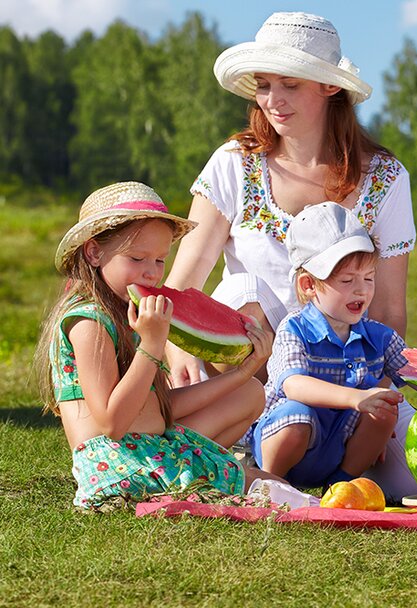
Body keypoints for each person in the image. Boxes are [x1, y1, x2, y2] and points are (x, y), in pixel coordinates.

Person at [163, 11, 417, 496]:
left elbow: (387, 309)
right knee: (239, 287)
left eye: (290, 85)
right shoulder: (235, 164)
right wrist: (177, 351)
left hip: (346, 376)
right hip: (246, 376)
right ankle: (249, 440)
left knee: (415, 486)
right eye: (263, 85)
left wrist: (379, 400)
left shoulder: (385, 177)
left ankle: (315, 462)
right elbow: (181, 286)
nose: (272, 102)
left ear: (329, 88)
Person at [37, 182, 272, 509]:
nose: (151, 272)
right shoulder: (89, 322)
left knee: (250, 394)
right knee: (261, 485)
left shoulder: (129, 312)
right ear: (94, 252)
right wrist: (151, 345)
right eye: (137, 258)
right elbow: (112, 424)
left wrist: (242, 373)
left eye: (160, 260)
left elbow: (160, 411)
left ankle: (205, 464)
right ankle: (202, 469)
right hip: (119, 464)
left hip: (150, 441)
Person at [248, 202, 408, 489]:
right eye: (347, 280)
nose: (362, 290)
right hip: (287, 438)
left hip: (337, 449)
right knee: (298, 414)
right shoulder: (294, 328)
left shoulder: (378, 336)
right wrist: (355, 398)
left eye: (369, 278)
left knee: (384, 409)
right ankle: (271, 484)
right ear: (309, 285)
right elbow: (294, 385)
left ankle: (341, 485)